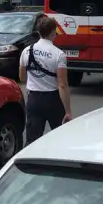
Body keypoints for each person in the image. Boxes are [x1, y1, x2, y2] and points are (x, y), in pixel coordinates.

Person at [18, 16, 72, 145]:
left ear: (39, 32)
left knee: (32, 140)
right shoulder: (58, 54)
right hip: (53, 100)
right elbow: (62, 85)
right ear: (53, 32)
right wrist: (68, 110)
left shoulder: (26, 51)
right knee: (61, 139)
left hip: (34, 99)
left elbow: (22, 77)